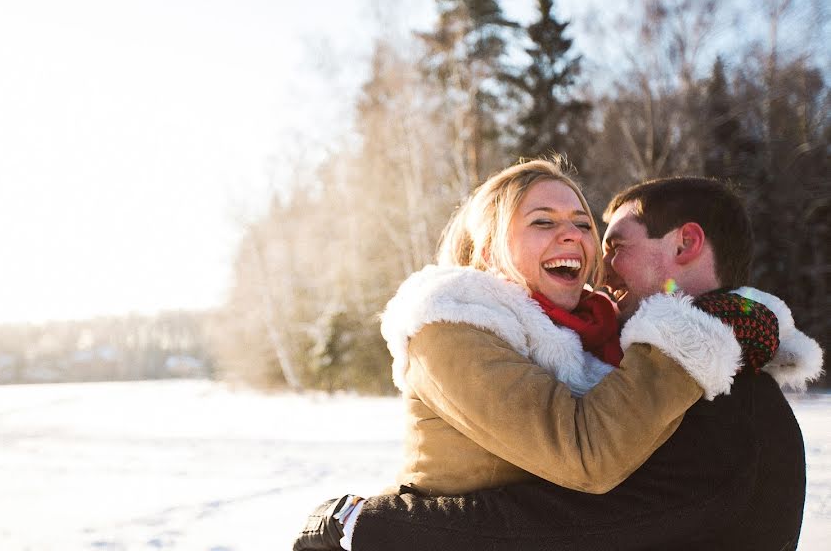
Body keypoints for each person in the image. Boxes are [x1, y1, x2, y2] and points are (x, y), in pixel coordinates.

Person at [294, 174, 822, 550]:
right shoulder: (455, 323)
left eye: (595, 232)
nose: (593, 253)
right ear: (484, 250)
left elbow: (585, 516)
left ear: (686, 243)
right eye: (543, 221)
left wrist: (377, 526)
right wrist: (369, 526)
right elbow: (573, 485)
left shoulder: (724, 393)